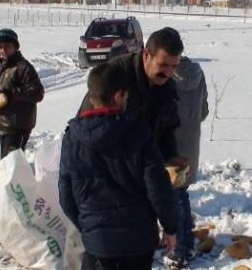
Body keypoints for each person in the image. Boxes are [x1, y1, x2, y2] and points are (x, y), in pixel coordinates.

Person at [67, 26, 189, 270]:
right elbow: (89, 127)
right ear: (146, 55)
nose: (168, 73)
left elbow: (167, 127)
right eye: (163, 65)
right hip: (106, 180)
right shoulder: (115, 77)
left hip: (139, 170)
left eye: (174, 67)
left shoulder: (166, 86)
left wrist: (170, 157)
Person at [171, 56, 209, 266]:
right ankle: (187, 244)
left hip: (169, 141)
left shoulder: (165, 75)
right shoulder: (198, 73)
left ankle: (178, 250)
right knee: (180, 192)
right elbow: (203, 111)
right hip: (190, 142)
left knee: (171, 196)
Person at [0, 28, 44, 158]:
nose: (3, 50)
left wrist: (13, 92)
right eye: (0, 47)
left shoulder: (23, 67)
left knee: (12, 166)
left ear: (15, 46)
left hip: (18, 125)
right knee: (8, 164)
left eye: (7, 46)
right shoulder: (0, 68)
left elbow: (38, 93)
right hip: (3, 123)